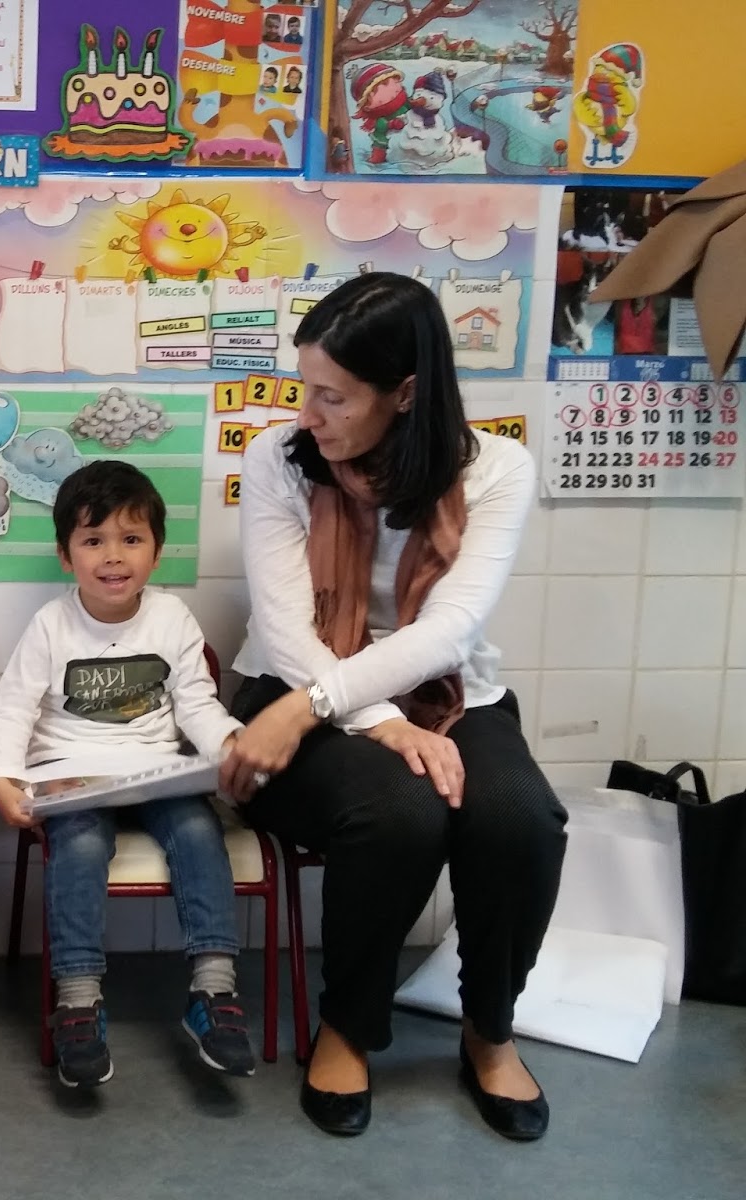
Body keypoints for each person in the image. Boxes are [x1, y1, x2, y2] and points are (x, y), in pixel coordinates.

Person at [220, 272, 566, 1140]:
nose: (308, 414)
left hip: (445, 690)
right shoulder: (278, 460)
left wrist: (362, 709)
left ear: (405, 393)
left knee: (520, 817)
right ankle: (347, 1027)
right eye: (305, 388)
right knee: (400, 813)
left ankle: (490, 1031)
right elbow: (285, 629)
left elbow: (450, 631)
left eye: (333, 396)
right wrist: (376, 721)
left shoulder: (496, 470)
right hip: (292, 686)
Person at [0, 461, 253, 1089]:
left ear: (156, 552)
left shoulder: (172, 617)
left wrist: (229, 745)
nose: (113, 556)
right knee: (79, 846)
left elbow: (197, 703)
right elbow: (13, 707)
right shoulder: (51, 625)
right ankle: (78, 1000)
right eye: (93, 540)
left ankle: (213, 991)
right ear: (65, 555)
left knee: (199, 831)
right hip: (71, 773)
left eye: (131, 539)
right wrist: (4, 778)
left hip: (155, 769)